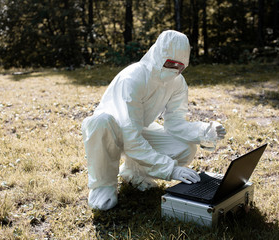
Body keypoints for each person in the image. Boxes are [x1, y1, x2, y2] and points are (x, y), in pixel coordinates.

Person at [81, 30, 226, 211]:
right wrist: (170, 169)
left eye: (181, 66)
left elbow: (175, 123)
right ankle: (103, 185)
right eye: (171, 63)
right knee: (100, 122)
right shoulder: (133, 77)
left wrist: (205, 131)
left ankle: (134, 172)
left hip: (139, 127)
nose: (175, 70)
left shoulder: (177, 82)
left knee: (185, 148)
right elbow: (130, 135)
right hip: (110, 129)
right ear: (158, 55)